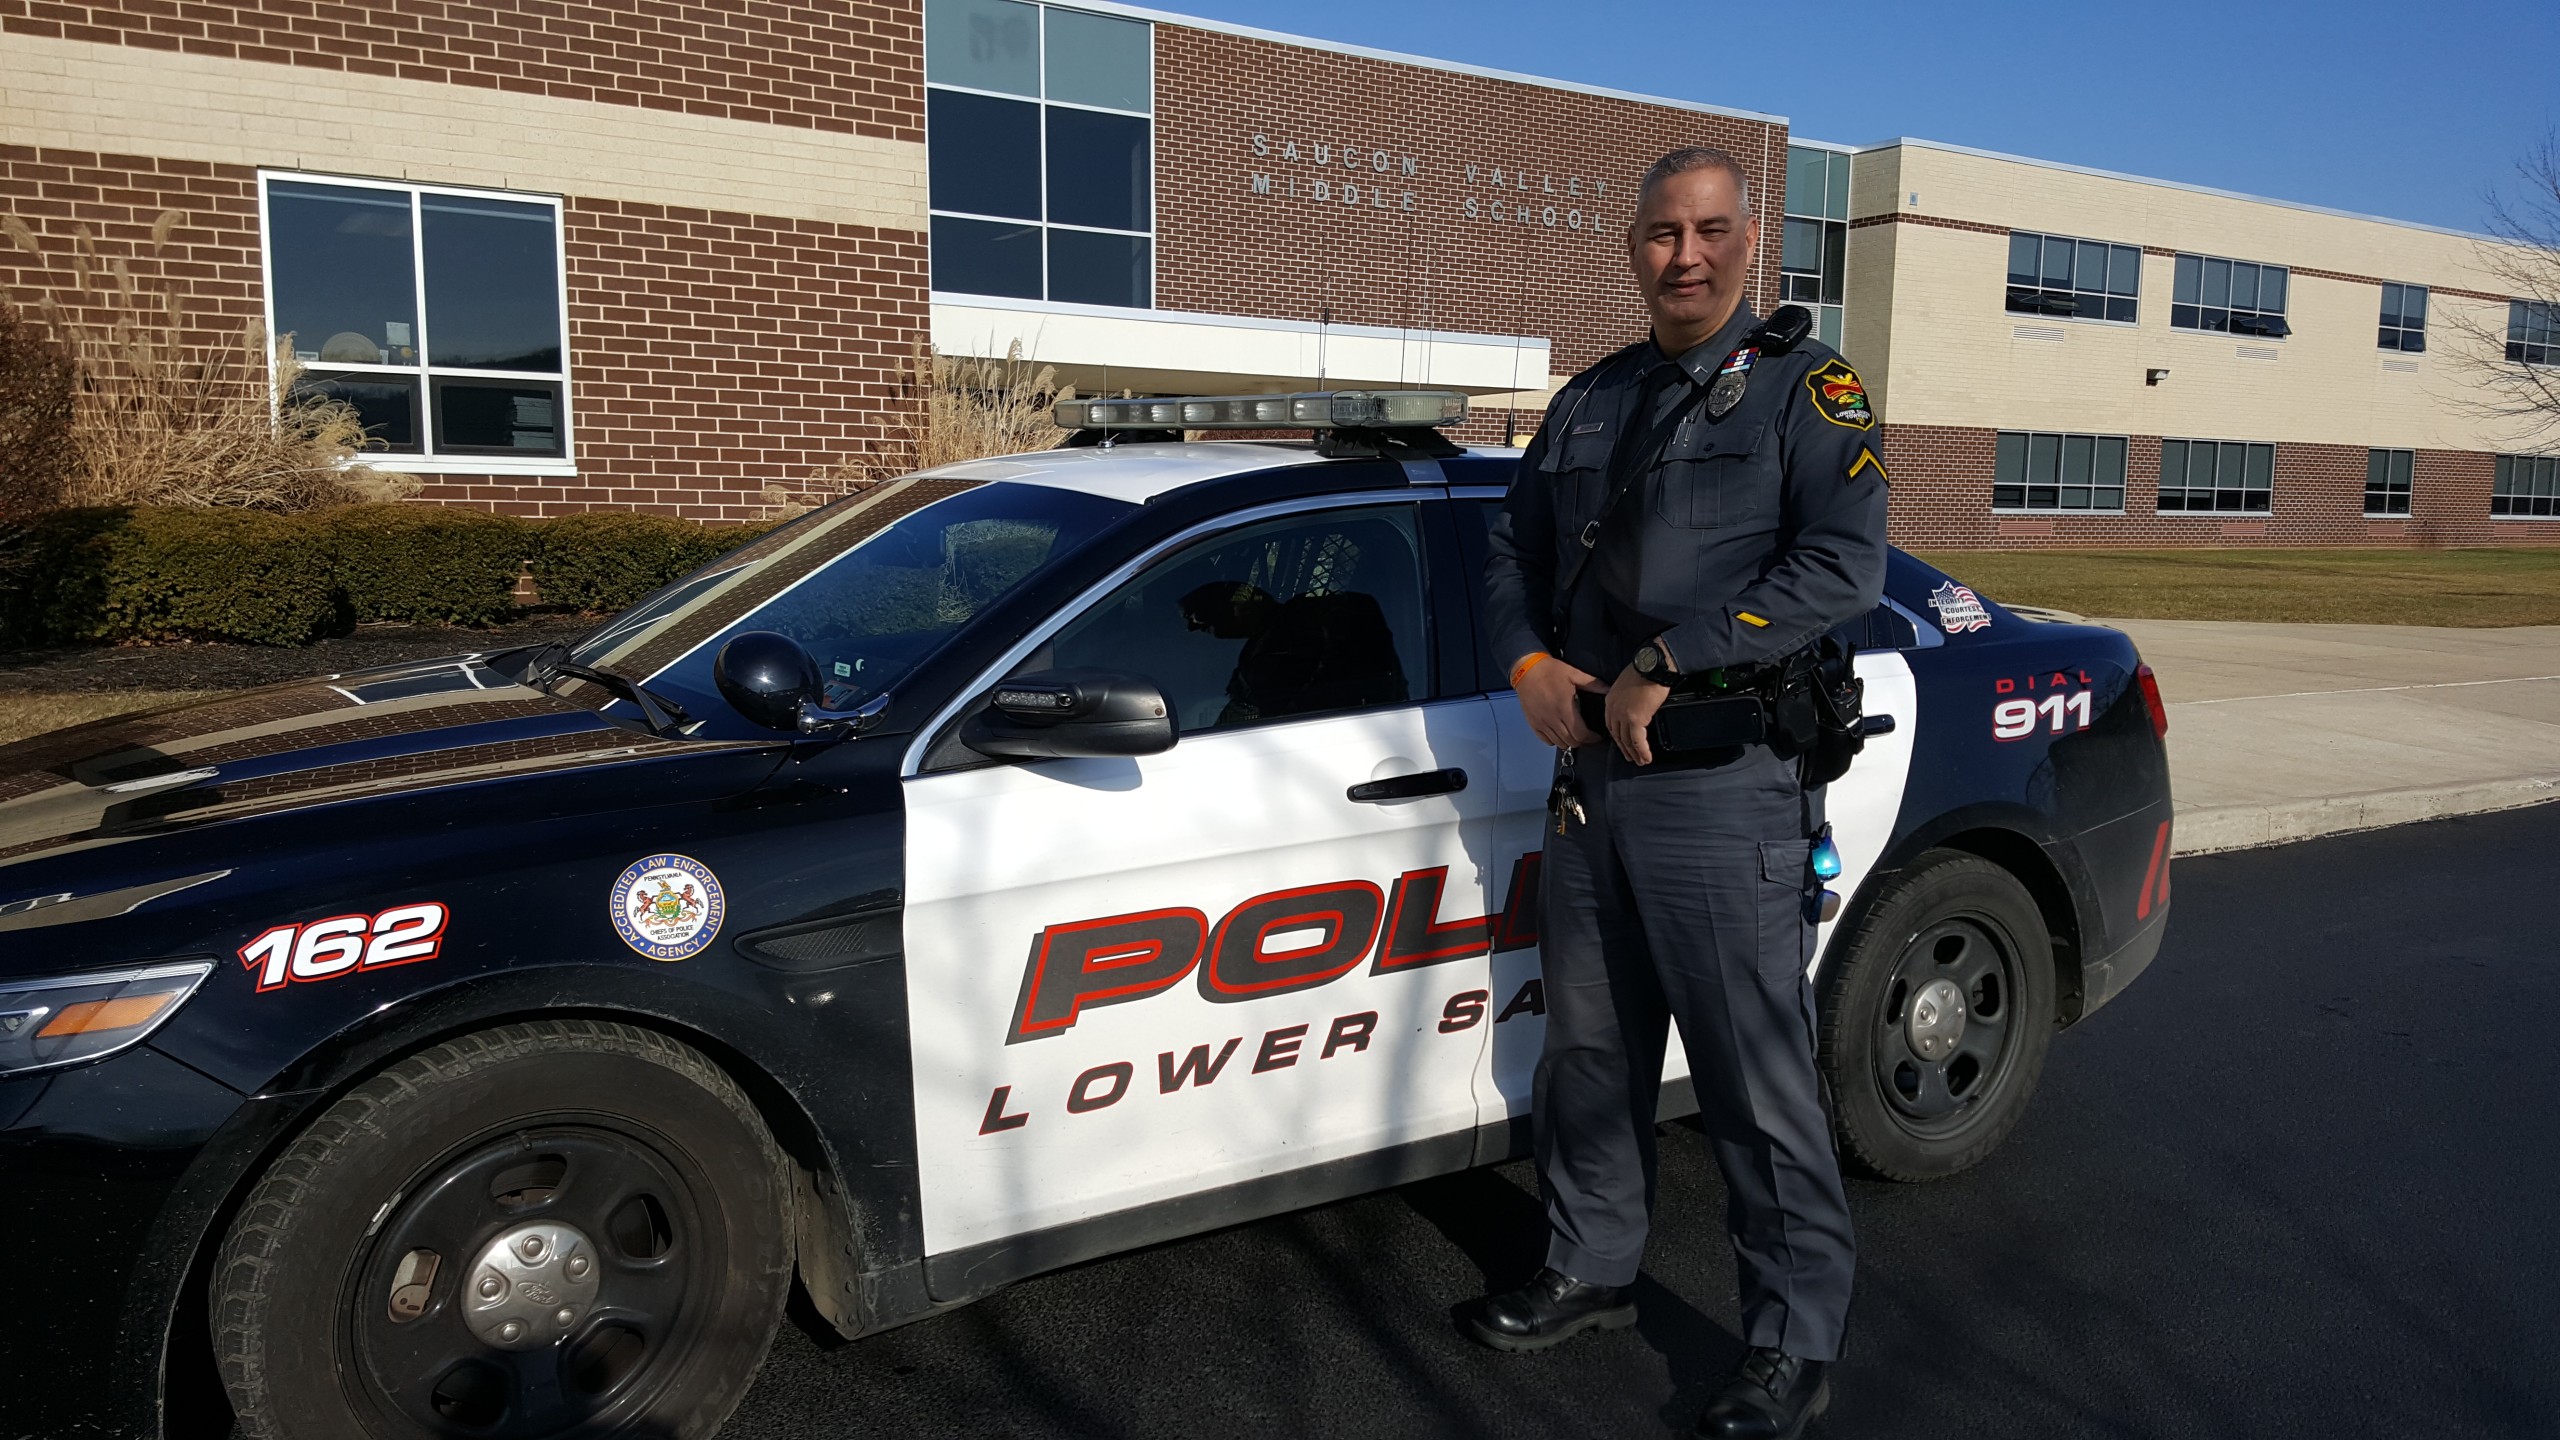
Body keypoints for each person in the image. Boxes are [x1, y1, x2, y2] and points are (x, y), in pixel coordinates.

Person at [1465, 145, 1890, 1440]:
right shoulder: (1591, 399)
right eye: (1662, 233)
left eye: (1709, 231)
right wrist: (1528, 662)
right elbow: (1508, 550)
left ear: (1751, 242)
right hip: (1590, 786)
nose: (1685, 256)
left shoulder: (1807, 391)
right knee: (1589, 1056)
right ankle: (1590, 1268)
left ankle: (1791, 1341)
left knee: (1753, 1079)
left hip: (1724, 789)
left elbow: (1844, 565)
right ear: (1634, 247)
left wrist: (1672, 659)